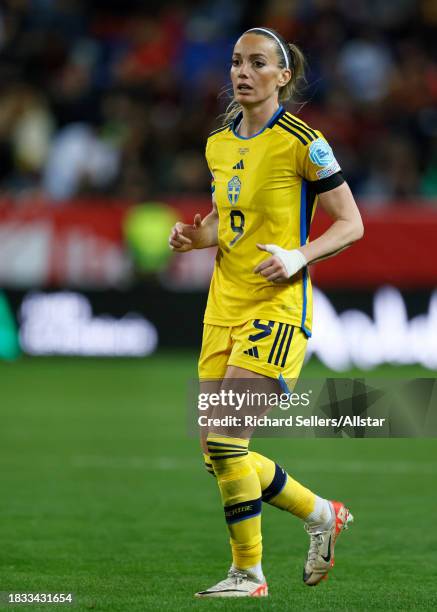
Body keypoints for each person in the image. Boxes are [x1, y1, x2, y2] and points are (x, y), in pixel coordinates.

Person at [169, 27, 364, 598]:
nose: (242, 72)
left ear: (283, 76)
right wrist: (194, 237)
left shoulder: (303, 141)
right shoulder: (220, 143)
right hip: (221, 308)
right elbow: (223, 221)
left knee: (228, 440)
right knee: (217, 453)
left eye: (257, 63)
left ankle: (247, 574)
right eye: (235, 62)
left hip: (278, 309)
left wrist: (299, 255)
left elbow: (351, 223)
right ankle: (323, 514)